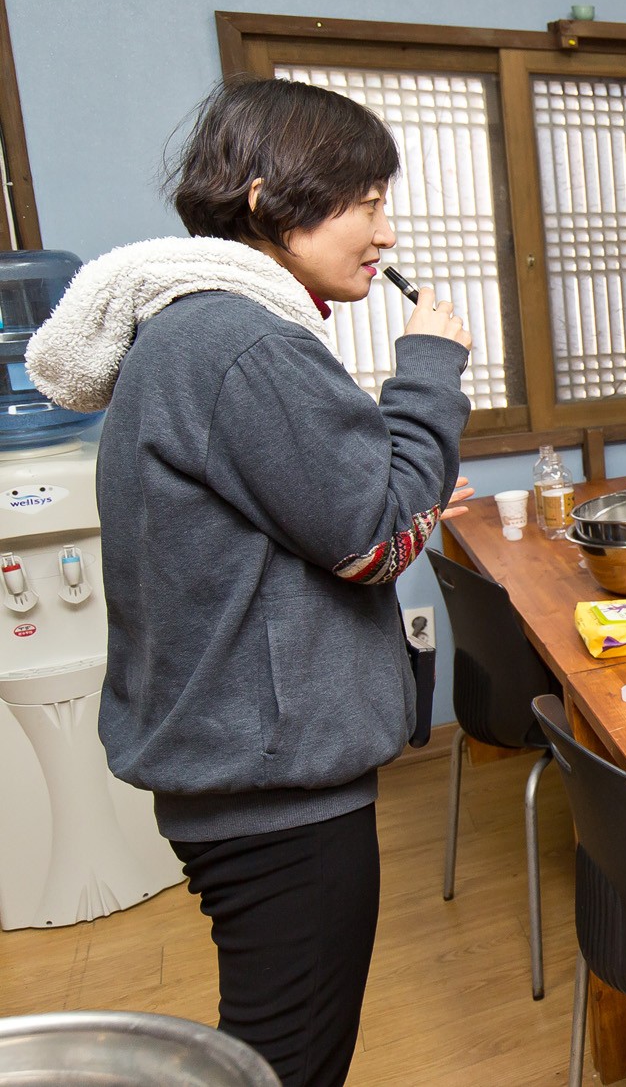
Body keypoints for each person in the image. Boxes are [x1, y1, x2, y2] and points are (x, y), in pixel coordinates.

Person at [24, 77, 475, 1087]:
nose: (386, 232)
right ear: (271, 199)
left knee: (272, 1048)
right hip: (273, 787)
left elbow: (325, 515)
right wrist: (427, 373)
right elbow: (371, 542)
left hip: (242, 766)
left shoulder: (198, 331)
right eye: (367, 203)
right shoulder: (241, 340)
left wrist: (395, 475)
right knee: (288, 1062)